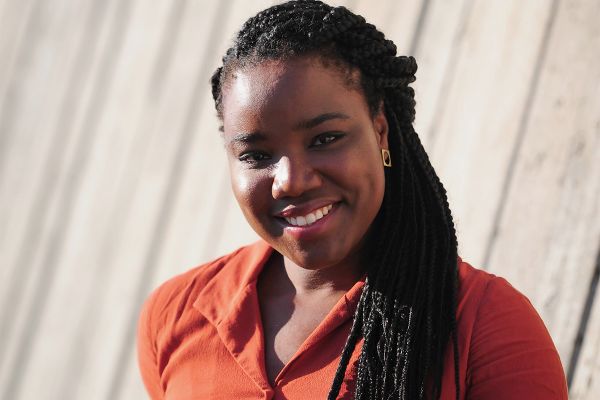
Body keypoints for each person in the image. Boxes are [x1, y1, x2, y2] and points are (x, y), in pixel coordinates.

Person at [136, 1, 568, 398]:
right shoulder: (176, 314)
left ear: (380, 131)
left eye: (325, 139)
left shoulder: (484, 326)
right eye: (257, 155)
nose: (291, 182)